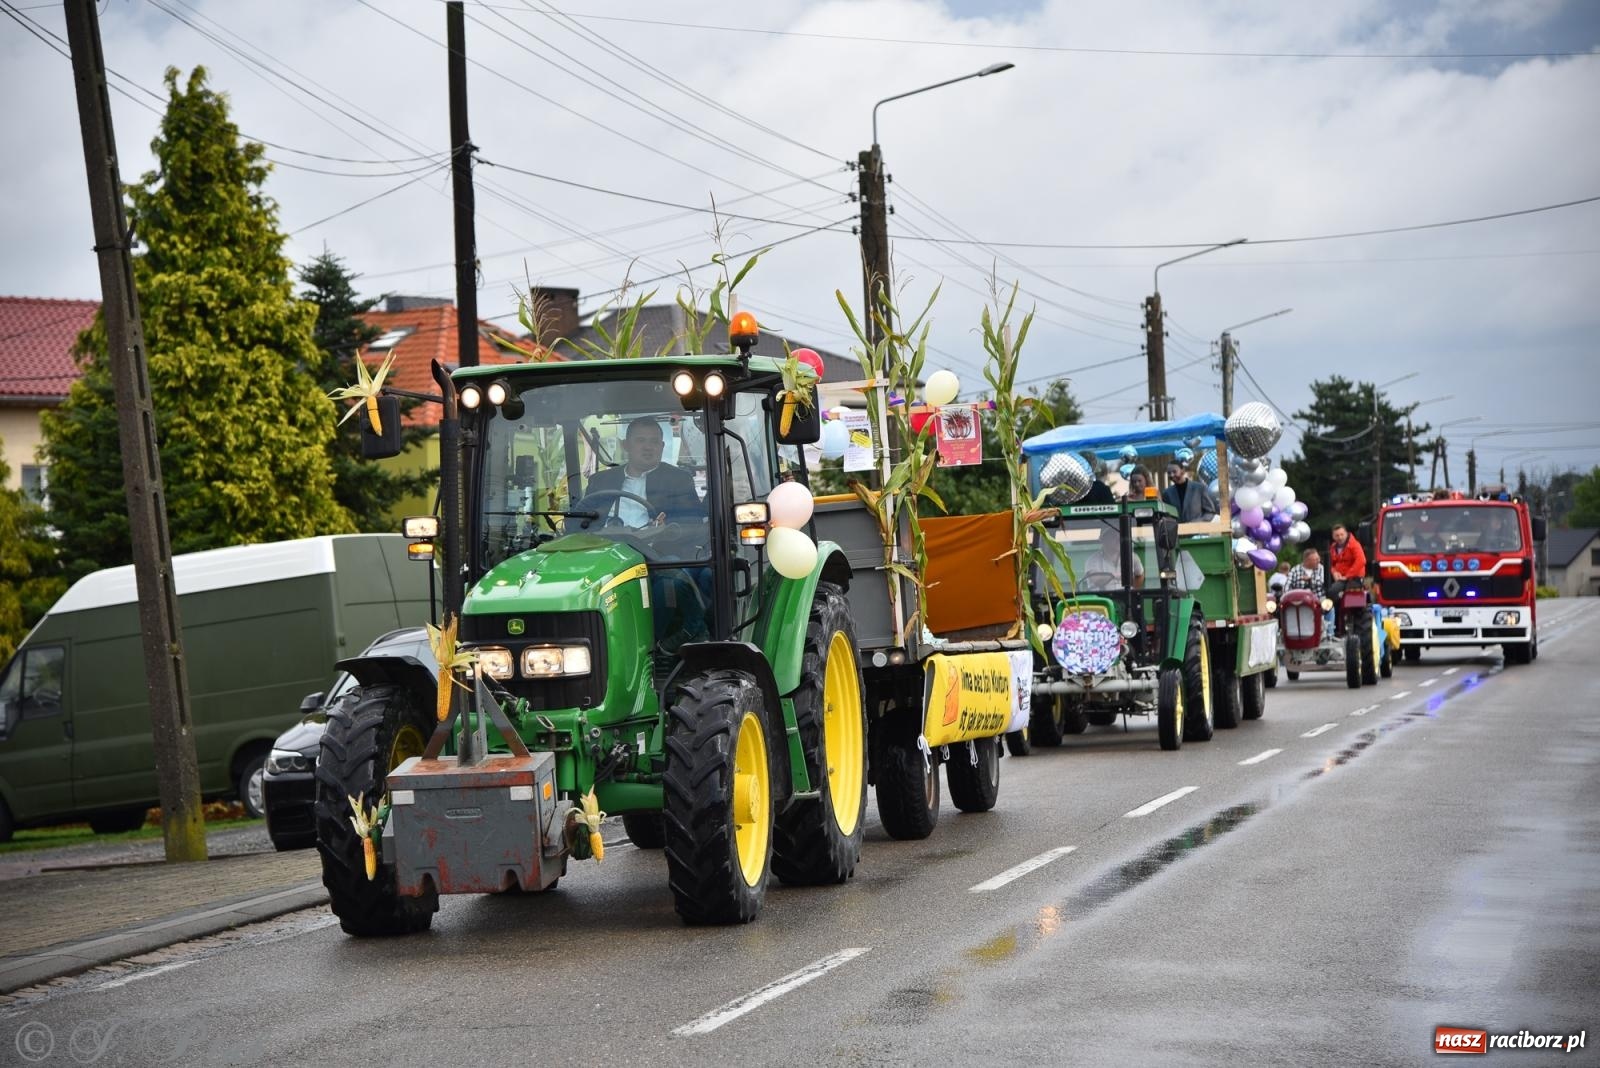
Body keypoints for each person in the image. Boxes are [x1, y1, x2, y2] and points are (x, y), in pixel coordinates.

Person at [584, 416, 701, 527]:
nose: (648, 447)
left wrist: (668, 527)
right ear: (625, 445)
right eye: (640, 440)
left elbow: (694, 523)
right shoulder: (600, 481)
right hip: (604, 545)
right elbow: (579, 523)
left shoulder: (679, 480)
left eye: (654, 441)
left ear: (662, 446)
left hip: (656, 547)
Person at [1080, 524, 1144, 591]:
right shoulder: (1092, 560)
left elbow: (1139, 575)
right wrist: (1115, 575)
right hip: (1102, 599)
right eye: (1113, 537)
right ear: (1103, 539)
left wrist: (1133, 592)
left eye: (1119, 536)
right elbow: (1096, 579)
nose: (1118, 540)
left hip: (1126, 598)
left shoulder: (1132, 557)